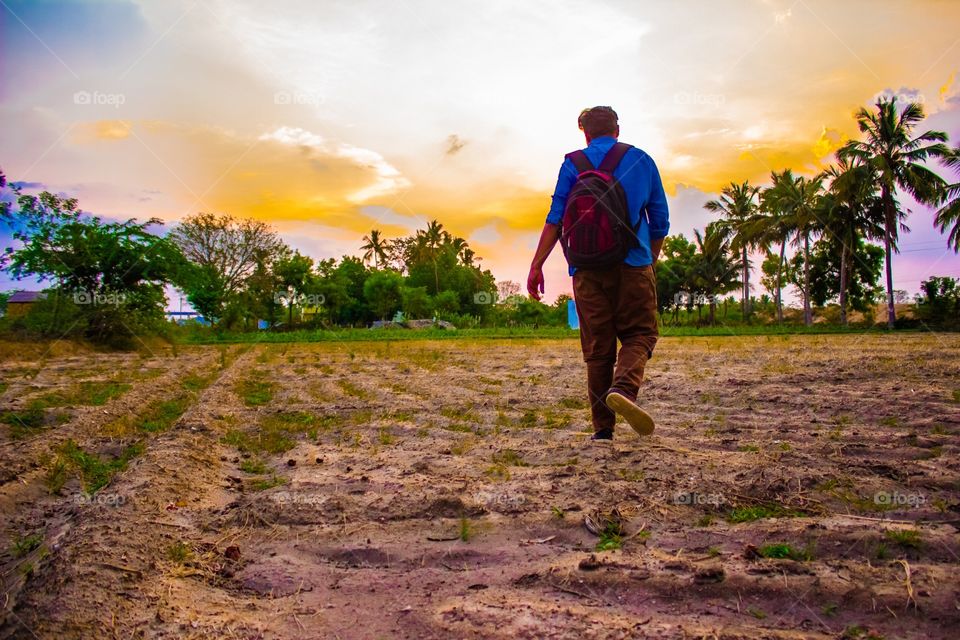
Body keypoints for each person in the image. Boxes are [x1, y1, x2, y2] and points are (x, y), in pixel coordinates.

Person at [527, 106, 669, 441]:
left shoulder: (572, 164)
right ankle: (624, 389)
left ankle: (602, 430)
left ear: (585, 132)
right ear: (617, 129)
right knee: (640, 335)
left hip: (586, 270)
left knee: (598, 350)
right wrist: (649, 259)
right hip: (633, 265)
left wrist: (537, 265)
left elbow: (556, 219)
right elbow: (660, 220)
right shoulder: (641, 161)